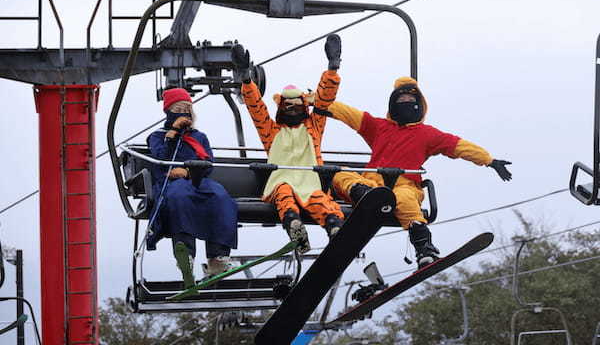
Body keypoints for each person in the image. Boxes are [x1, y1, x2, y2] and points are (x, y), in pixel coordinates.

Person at [326, 77, 512, 268]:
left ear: (419, 105)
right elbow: (348, 113)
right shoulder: (379, 127)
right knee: (341, 174)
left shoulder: (427, 134)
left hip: (404, 184)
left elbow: (459, 146)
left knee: (406, 199)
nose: (406, 104)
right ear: (393, 104)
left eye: (410, 101)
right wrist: (314, 101)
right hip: (371, 184)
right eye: (401, 101)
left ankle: (424, 249)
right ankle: (364, 195)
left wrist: (489, 160)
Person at [232, 35, 345, 253]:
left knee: (320, 200)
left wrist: (332, 70)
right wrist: (246, 80)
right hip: (281, 180)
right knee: (283, 195)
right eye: (288, 105)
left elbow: (323, 101)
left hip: (309, 183)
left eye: (296, 105)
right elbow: (257, 109)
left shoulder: (313, 127)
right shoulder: (272, 132)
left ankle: (334, 227)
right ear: (281, 107)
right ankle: (295, 227)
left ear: (304, 107)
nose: (292, 109)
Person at [146, 88, 239, 288]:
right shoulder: (157, 136)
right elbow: (160, 158)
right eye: (179, 108)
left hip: (196, 179)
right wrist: (173, 135)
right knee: (180, 197)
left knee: (220, 197)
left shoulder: (200, 137)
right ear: (169, 111)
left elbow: (208, 162)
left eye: (187, 108)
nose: (184, 112)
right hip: (170, 183)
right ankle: (186, 254)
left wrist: (187, 172)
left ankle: (218, 257)